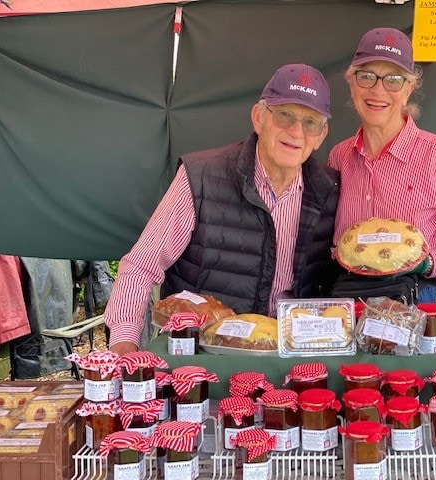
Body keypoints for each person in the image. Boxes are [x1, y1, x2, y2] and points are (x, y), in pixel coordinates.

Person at [104, 64, 339, 354]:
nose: (296, 131)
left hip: (293, 357)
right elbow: (141, 267)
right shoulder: (201, 177)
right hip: (207, 355)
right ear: (258, 118)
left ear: (321, 135)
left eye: (310, 122)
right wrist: (124, 343)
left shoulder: (330, 190)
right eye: (284, 115)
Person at [329, 27, 436, 303]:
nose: (378, 90)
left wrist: (425, 262)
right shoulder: (340, 157)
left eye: (393, 80)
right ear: (351, 83)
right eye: (366, 76)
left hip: (416, 299)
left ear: (409, 88)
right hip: (347, 297)